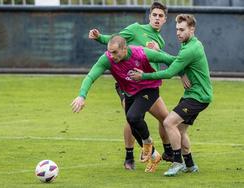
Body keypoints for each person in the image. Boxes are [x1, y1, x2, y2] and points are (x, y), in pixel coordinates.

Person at [88, 1, 181, 169]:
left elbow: (161, 59)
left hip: (147, 83)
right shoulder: (136, 28)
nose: (157, 18)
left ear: (166, 19)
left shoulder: (159, 39)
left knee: (164, 118)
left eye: (161, 16)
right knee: (132, 117)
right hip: (127, 83)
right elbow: (115, 40)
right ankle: (129, 157)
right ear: (149, 16)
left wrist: (176, 66)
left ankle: (165, 152)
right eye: (154, 15)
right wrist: (99, 38)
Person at [71, 35, 176, 173]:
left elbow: (170, 60)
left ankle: (148, 143)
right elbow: (91, 76)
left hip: (149, 89)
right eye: (109, 52)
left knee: (133, 117)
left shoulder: (141, 53)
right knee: (133, 125)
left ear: (124, 49)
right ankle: (154, 155)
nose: (111, 55)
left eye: (114, 52)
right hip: (130, 93)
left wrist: (184, 73)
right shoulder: (107, 59)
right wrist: (81, 96)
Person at [129, 14, 213, 176]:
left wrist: (143, 76)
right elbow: (177, 60)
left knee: (168, 123)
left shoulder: (190, 48)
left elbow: (169, 72)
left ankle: (177, 162)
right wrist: (160, 51)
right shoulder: (191, 44)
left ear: (192, 29)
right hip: (195, 95)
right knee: (180, 131)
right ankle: (190, 164)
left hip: (198, 96)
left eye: (182, 30)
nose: (178, 33)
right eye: (176, 29)